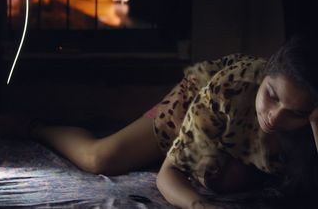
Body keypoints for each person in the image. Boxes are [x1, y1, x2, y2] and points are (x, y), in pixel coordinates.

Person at [23, 35, 318, 209]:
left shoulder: (310, 119)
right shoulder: (230, 88)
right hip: (202, 97)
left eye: (296, 113)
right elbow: (169, 174)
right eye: (272, 96)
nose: (274, 116)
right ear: (266, 75)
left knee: (230, 180)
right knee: (101, 158)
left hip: (240, 142)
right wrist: (201, 207)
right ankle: (34, 126)